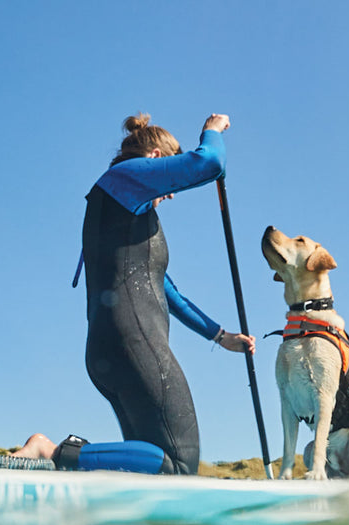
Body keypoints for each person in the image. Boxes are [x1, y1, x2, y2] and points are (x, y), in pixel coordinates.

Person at [18, 113, 254, 475]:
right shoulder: (123, 180)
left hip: (113, 347)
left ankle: (63, 467)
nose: (172, 193)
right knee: (179, 463)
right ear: (157, 158)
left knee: (150, 473)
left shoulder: (121, 207)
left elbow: (167, 290)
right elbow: (209, 163)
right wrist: (213, 130)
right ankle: (50, 453)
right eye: (170, 178)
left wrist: (220, 336)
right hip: (133, 342)